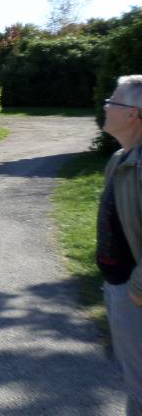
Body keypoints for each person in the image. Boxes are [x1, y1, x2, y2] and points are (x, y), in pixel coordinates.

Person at [100, 75, 142, 415]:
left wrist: (137, 289)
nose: (106, 106)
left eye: (113, 101)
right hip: (118, 287)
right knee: (134, 382)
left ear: (133, 114)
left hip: (135, 293)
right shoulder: (120, 159)